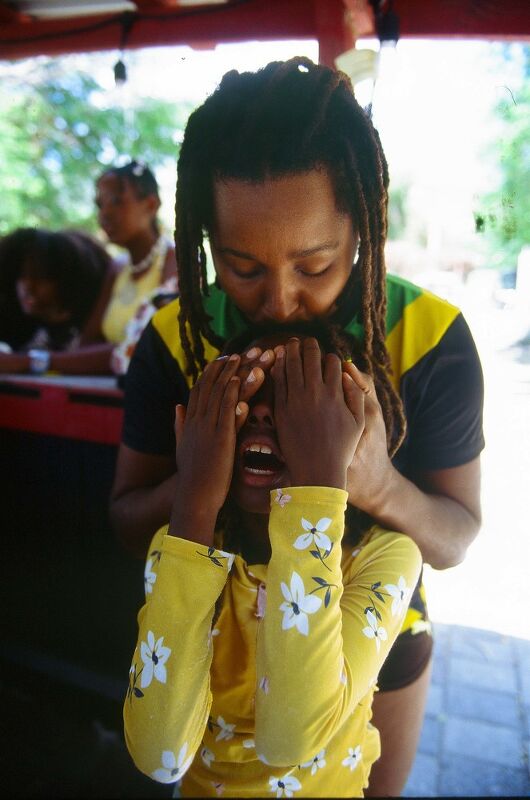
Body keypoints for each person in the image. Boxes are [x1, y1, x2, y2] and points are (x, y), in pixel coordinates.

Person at [111, 57, 484, 795]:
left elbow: (453, 537)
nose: (279, 302)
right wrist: (199, 481)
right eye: (243, 267)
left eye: (315, 265)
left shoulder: (430, 337)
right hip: (208, 651)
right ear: (206, 238)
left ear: (362, 227)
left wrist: (377, 483)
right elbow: (127, 520)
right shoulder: (174, 338)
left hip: (374, 641)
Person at [124, 327, 423, 797]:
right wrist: (194, 502)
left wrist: (320, 481)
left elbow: (291, 738)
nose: (262, 412)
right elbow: (160, 756)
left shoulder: (386, 557)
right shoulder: (177, 546)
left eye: (298, 404)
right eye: (246, 398)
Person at [0, 226, 115, 374]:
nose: (28, 286)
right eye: (21, 276)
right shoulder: (18, 325)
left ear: (66, 280)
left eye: (40, 277)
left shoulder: (97, 323)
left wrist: (26, 362)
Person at [96, 159, 178, 354]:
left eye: (116, 201)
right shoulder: (117, 267)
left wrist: (35, 360)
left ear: (151, 205)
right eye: (100, 205)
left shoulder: (176, 261)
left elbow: (140, 349)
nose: (104, 213)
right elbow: (88, 341)